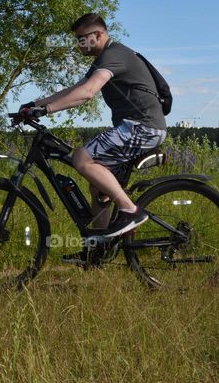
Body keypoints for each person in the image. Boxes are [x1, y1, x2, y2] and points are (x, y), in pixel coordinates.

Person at [18, 13, 167, 246]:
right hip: (136, 127)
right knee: (98, 186)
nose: (78, 45)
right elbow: (76, 90)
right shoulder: (105, 58)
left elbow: (88, 92)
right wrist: (34, 105)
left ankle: (130, 211)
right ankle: (99, 247)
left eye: (81, 39)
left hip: (143, 128)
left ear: (97, 35)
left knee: (82, 157)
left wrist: (46, 111)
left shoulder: (114, 54)